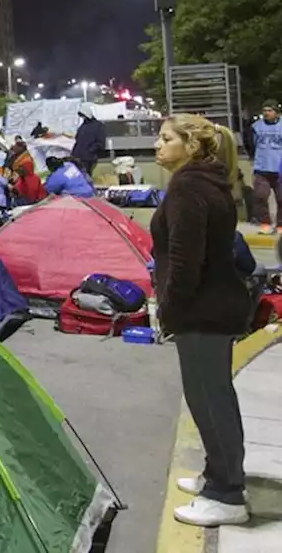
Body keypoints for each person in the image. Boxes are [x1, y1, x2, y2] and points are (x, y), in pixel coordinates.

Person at [151, 114, 253, 528]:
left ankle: (226, 494)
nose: (157, 146)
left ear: (190, 146)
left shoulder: (188, 186)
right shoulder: (208, 180)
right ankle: (219, 476)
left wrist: (168, 309)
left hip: (201, 311)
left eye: (165, 139)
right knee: (213, 397)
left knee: (210, 400)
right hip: (213, 306)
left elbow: (185, 260)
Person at [247, 101, 282, 234]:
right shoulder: (256, 126)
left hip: (279, 168)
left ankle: (280, 225)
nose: (266, 113)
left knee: (281, 198)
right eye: (265, 110)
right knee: (260, 196)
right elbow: (250, 143)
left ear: (276, 112)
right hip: (262, 167)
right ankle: (265, 223)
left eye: (270, 110)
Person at [71, 103, 107, 177]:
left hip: (87, 157)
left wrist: (90, 150)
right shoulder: (83, 126)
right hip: (77, 155)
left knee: (85, 176)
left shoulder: (98, 126)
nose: (82, 118)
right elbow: (78, 138)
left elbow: (100, 143)